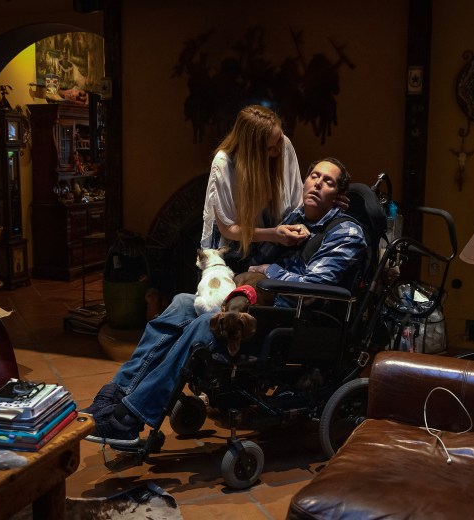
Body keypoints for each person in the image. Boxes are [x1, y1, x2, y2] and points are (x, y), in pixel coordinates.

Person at [82, 158, 367, 446]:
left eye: (328, 181)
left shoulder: (345, 232)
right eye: (314, 176)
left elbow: (317, 287)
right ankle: (114, 395)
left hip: (289, 318)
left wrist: (271, 272)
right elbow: (257, 259)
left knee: (206, 324)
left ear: (339, 196)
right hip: (255, 302)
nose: (317, 183)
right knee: (182, 302)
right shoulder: (294, 218)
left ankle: (127, 419)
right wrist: (274, 241)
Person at [201, 104, 310, 270]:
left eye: (279, 138)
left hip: (278, 243)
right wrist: (273, 234)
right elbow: (228, 229)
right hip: (239, 251)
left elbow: (297, 200)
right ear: (252, 152)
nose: (278, 150)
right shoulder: (225, 163)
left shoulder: (283, 144)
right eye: (269, 148)